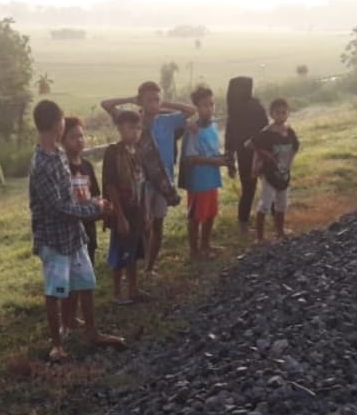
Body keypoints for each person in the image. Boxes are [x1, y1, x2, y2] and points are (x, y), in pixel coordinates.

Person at [29, 100, 124, 361]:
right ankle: (57, 344)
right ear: (55, 124)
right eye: (61, 121)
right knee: (55, 291)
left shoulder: (58, 154)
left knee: (86, 284)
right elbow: (59, 208)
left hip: (74, 235)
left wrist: (92, 203)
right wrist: (94, 210)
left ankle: (93, 333)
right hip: (54, 239)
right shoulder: (41, 165)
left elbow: (69, 197)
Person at [101, 82, 196, 274]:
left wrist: (164, 103)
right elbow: (106, 104)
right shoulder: (133, 121)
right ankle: (136, 263)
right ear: (140, 101)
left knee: (158, 223)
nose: (153, 103)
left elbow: (191, 110)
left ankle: (150, 267)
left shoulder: (166, 120)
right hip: (139, 183)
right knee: (142, 224)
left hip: (162, 181)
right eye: (149, 100)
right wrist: (130, 100)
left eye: (156, 99)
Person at [102, 111, 147, 304]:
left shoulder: (138, 152)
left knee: (134, 251)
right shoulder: (113, 152)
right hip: (122, 210)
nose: (135, 132)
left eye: (138, 128)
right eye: (130, 128)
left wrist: (145, 212)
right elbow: (110, 185)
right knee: (120, 252)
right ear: (120, 129)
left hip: (136, 209)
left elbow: (142, 183)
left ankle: (133, 289)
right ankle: (117, 293)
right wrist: (119, 216)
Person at [61, 116, 101, 331]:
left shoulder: (86, 166)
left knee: (85, 273)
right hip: (69, 230)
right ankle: (66, 320)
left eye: (81, 135)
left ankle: (75, 317)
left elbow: (95, 194)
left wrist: (99, 206)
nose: (79, 140)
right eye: (73, 136)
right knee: (69, 279)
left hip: (88, 228)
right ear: (63, 140)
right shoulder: (62, 168)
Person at [182, 86, 230, 259]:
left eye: (211, 104)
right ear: (196, 107)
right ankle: (194, 251)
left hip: (212, 178)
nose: (208, 108)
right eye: (204, 105)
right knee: (196, 216)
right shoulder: (193, 129)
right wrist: (215, 161)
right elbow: (191, 158)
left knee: (210, 213)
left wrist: (224, 159)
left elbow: (213, 150)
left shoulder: (213, 126)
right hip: (198, 181)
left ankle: (206, 245)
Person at [246, 99, 301, 243]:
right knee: (265, 203)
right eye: (278, 113)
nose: (281, 116)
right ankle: (260, 236)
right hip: (269, 173)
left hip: (284, 173)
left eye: (284, 113)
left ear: (288, 113)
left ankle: (280, 231)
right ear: (271, 114)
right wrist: (265, 154)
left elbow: (295, 146)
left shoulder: (289, 131)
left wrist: (290, 161)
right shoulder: (267, 132)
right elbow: (250, 144)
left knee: (282, 203)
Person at [224, 76, 270, 236]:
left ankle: (243, 224)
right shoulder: (255, 105)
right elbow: (266, 128)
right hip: (261, 152)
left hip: (243, 156)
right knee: (269, 185)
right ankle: (271, 218)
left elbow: (228, 137)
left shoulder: (233, 110)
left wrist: (230, 161)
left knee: (248, 190)